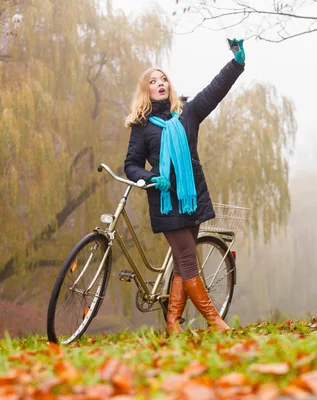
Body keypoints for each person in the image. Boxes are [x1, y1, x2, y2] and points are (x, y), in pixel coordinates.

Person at [123, 39, 246, 334]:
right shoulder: (143, 127)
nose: (160, 83)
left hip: (190, 199)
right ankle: (214, 321)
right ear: (146, 90)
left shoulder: (187, 113)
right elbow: (131, 166)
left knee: (181, 264)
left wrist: (237, 63)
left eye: (163, 78)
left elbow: (214, 91)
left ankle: (172, 324)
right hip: (166, 202)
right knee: (190, 261)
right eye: (153, 81)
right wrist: (153, 178)